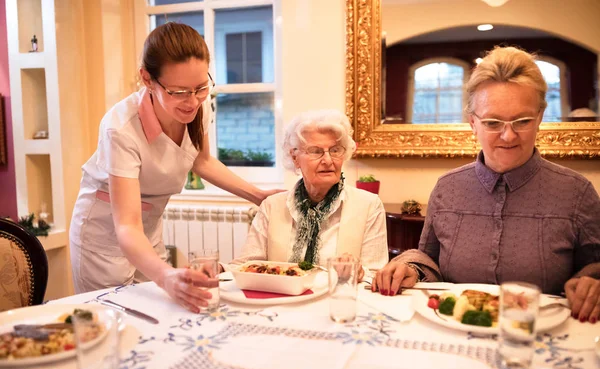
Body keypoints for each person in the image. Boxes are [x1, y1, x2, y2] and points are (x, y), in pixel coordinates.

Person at [373, 46, 600, 323]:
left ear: (540, 117)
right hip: (455, 335)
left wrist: (590, 283)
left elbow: (594, 266)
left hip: (535, 340)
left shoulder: (576, 192)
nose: (508, 135)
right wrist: (410, 267)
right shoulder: (448, 188)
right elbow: (428, 258)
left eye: (523, 121)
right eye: (493, 122)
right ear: (473, 123)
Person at [70, 22, 279, 313]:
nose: (192, 102)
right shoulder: (120, 129)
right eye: (179, 91)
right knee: (115, 318)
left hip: (147, 229)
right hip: (104, 236)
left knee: (159, 312)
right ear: (147, 79)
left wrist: (257, 195)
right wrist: (166, 276)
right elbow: (127, 226)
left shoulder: (196, 109)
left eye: (201, 88)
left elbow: (202, 161)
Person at [230, 110, 388, 274]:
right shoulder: (271, 206)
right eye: (315, 151)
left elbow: (376, 274)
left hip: (337, 298)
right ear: (294, 157)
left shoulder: (369, 205)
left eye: (335, 150)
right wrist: (220, 269)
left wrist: (361, 272)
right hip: (282, 298)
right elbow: (246, 265)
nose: (327, 160)